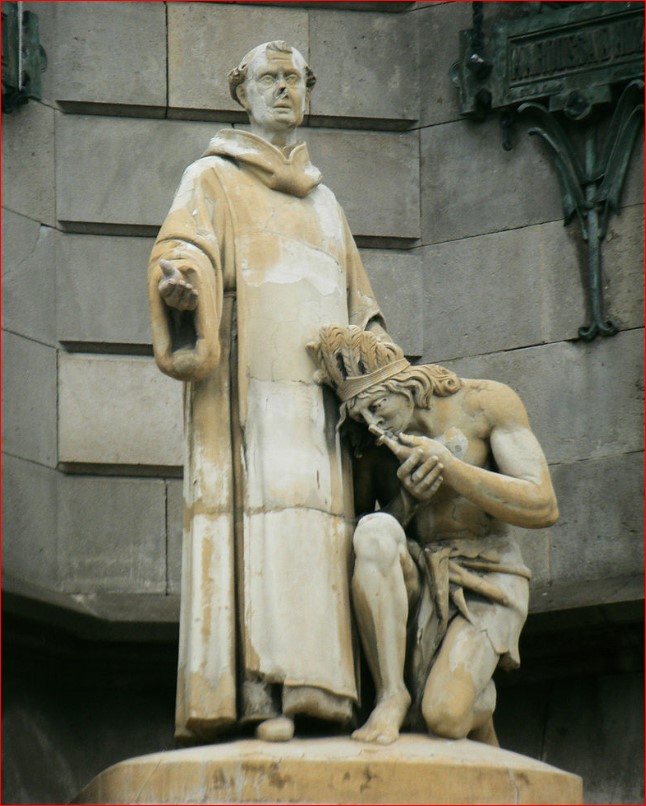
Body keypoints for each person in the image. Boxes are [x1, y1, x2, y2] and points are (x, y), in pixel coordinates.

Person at [148, 42, 387, 744]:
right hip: (246, 400)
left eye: (294, 78)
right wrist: (181, 280)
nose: (284, 89)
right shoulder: (212, 179)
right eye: (268, 79)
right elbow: (179, 250)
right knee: (258, 532)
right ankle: (260, 693)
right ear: (241, 93)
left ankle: (329, 695)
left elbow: (361, 302)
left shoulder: (326, 202)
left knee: (318, 534)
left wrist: (377, 365)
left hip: (317, 408)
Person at [308, 325, 559, 746]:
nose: (371, 424)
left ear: (403, 386)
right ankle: (391, 693)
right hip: (419, 575)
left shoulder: (485, 404)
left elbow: (542, 505)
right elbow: (354, 543)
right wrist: (407, 503)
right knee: (374, 530)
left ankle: (479, 704)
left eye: (375, 405)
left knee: (444, 717)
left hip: (488, 579)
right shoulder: (372, 449)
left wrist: (452, 468)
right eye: (359, 416)